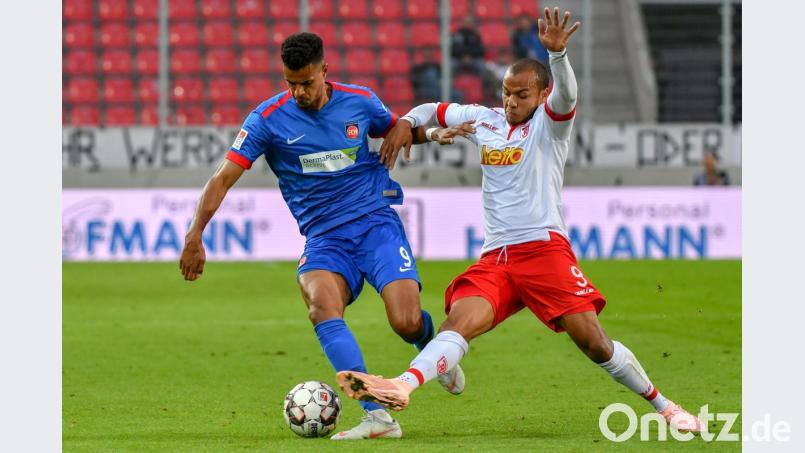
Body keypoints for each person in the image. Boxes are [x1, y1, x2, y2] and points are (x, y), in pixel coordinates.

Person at [336, 8, 704, 434]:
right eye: (507, 92)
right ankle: (402, 385)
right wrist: (406, 123)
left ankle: (665, 406)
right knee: (460, 323)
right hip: (498, 257)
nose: (511, 101)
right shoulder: (485, 119)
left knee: (594, 343)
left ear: (540, 95)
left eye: (521, 95)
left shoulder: (550, 126)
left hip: (544, 250)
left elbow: (566, 94)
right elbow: (433, 110)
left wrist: (559, 55)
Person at [178, 32, 466, 440]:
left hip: (374, 224)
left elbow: (397, 131)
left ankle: (429, 346)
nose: (299, 92)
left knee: (404, 322)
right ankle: (378, 418)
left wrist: (430, 133)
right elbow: (222, 178)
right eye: (290, 82)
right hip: (325, 238)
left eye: (307, 82)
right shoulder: (267, 119)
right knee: (321, 308)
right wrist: (195, 234)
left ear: (324, 71)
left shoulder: (360, 101)